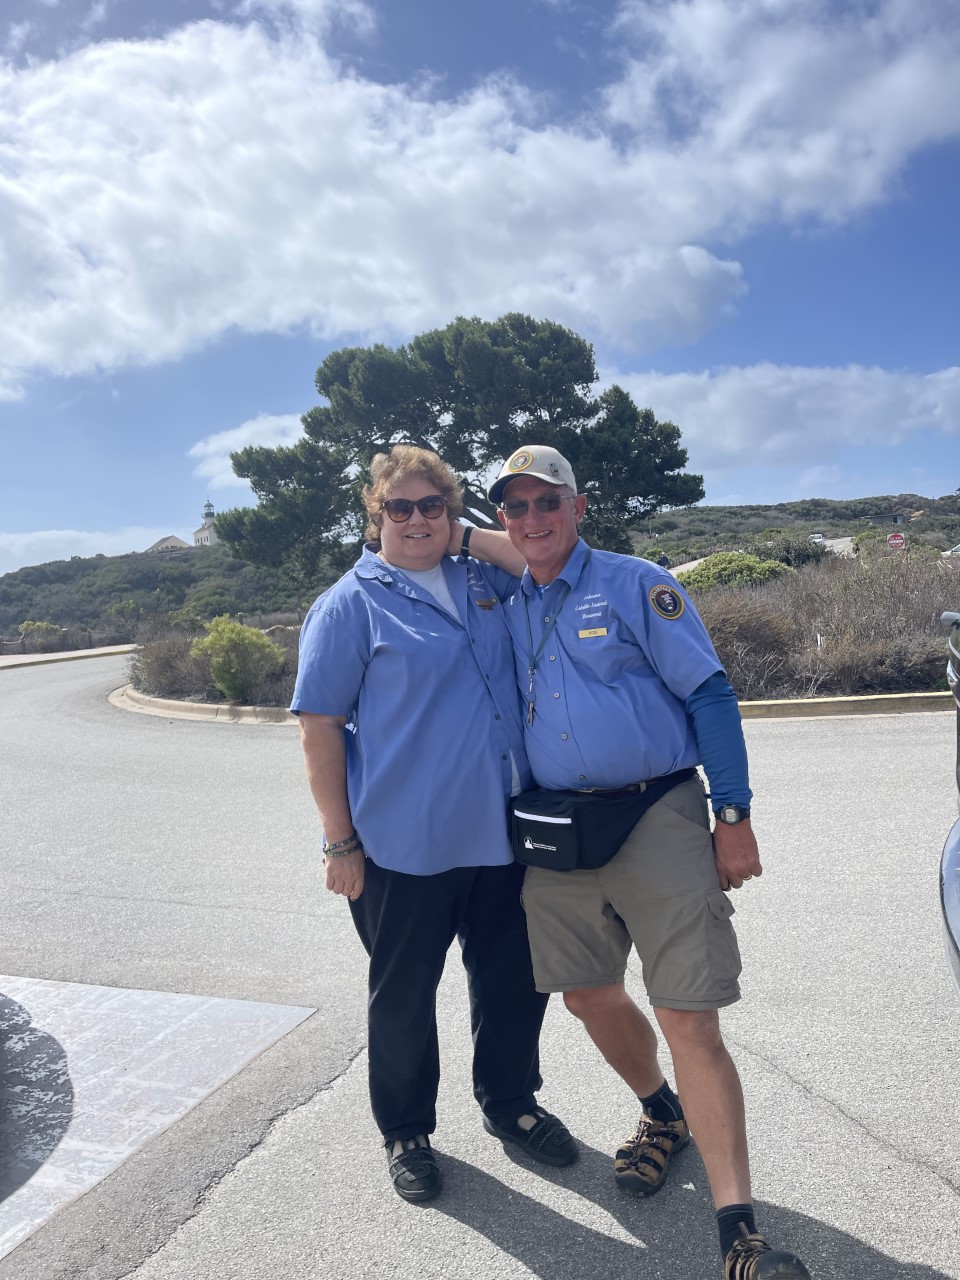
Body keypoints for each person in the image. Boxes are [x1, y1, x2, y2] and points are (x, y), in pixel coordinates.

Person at [480, 444, 811, 1280]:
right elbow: (443, 535)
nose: (532, 519)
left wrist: (732, 815)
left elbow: (709, 693)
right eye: (514, 508)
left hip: (656, 807)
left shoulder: (636, 583)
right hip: (559, 827)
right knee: (587, 995)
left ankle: (739, 1231)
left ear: (578, 505)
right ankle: (661, 1114)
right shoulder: (507, 597)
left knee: (690, 1015)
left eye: (545, 502)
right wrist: (464, 531)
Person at [290, 444, 577, 1205]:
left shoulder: (480, 578)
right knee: (406, 995)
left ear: (452, 514)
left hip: (505, 831)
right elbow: (319, 728)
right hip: (403, 844)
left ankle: (511, 1104)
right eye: (400, 508)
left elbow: (538, 564)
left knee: (515, 981)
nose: (416, 520)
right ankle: (407, 1130)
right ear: (374, 515)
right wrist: (338, 840)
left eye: (432, 506)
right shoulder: (348, 605)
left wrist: (466, 536)